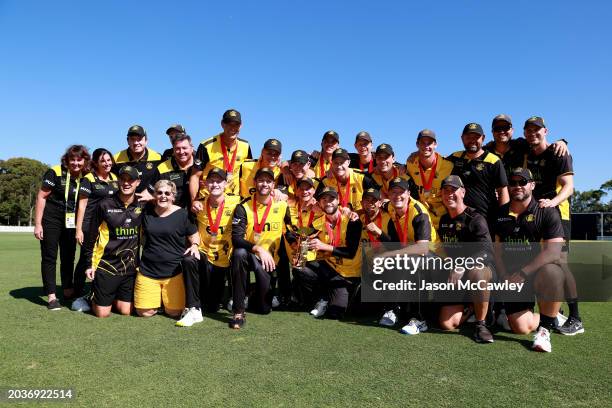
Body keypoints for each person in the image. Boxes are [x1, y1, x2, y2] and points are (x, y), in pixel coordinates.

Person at [494, 168, 566, 352]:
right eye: (513, 182)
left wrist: (523, 273)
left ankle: (545, 330)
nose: (517, 186)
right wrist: (504, 276)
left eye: (522, 182)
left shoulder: (547, 211)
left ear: (532, 185)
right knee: (521, 327)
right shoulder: (500, 213)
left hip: (536, 274)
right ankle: (551, 314)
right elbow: (497, 250)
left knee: (553, 272)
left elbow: (554, 251)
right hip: (512, 278)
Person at [524, 116, 583, 335]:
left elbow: (569, 187)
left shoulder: (559, 152)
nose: (533, 133)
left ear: (545, 131)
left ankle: (576, 317)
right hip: (536, 214)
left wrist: (552, 203)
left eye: (537, 130)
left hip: (558, 213)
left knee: (559, 261)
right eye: (529, 130)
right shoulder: (526, 152)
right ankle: (552, 312)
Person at [177, 168, 242, 327]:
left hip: (224, 259)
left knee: (212, 306)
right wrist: (194, 244)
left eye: (219, 181)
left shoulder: (237, 202)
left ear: (226, 184)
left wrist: (277, 192)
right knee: (188, 259)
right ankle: (193, 308)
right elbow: (191, 229)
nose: (215, 184)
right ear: (205, 184)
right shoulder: (198, 206)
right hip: (204, 255)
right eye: (211, 181)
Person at [230, 167, 290, 329]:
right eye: (261, 180)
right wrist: (258, 249)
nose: (264, 184)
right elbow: (236, 239)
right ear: (255, 182)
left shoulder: (282, 205)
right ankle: (238, 310)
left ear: (273, 185)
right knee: (239, 253)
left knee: (264, 309)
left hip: (270, 260)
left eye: (269, 181)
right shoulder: (243, 207)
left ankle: (251, 291)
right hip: (251, 254)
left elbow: (290, 230)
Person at [437, 175, 494, 343]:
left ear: (463, 192)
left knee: (477, 272)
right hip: (458, 278)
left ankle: (481, 324)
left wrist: (462, 265)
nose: (449, 195)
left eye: (453, 190)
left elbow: (487, 252)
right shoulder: (444, 220)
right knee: (446, 323)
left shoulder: (475, 219)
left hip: (481, 273)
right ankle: (471, 308)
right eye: (445, 191)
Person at [378, 177, 438, 332]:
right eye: (393, 192)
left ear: (409, 194)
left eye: (401, 192)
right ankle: (393, 309)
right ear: (388, 195)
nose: (397, 196)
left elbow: (423, 249)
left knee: (411, 261)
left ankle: (419, 319)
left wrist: (393, 254)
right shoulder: (391, 206)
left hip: (434, 255)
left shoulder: (419, 212)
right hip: (409, 250)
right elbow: (379, 204)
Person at [293, 186, 363, 319]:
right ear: (319, 203)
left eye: (332, 199)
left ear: (338, 201)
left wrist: (323, 246)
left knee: (335, 313)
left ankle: (341, 293)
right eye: (324, 199)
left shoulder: (352, 220)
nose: (328, 202)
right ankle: (322, 298)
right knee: (298, 267)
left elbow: (350, 253)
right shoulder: (318, 222)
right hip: (330, 267)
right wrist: (300, 252)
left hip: (348, 273)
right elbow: (304, 237)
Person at [34, 145, 90, 310]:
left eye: (79, 160)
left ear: (84, 161)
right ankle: (51, 296)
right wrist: (38, 224)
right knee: (50, 257)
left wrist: (79, 228)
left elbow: (82, 204)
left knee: (68, 257)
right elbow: (42, 196)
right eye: (72, 159)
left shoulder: (85, 176)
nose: (75, 163)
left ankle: (67, 289)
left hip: (70, 220)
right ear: (66, 160)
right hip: (51, 218)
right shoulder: (55, 171)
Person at [135, 180, 200, 319]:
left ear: (173, 196)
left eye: (167, 193)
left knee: (174, 312)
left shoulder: (182, 214)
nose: (163, 196)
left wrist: (194, 245)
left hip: (173, 272)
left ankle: (164, 301)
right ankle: (157, 300)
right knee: (144, 313)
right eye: (159, 193)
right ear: (154, 195)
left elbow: (194, 235)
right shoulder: (146, 212)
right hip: (148, 270)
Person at [85, 165, 144, 318]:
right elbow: (91, 236)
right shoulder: (104, 204)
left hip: (130, 269)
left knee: (126, 311)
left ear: (138, 182)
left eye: (130, 180)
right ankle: (89, 296)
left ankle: (110, 296)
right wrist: (88, 264)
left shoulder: (143, 205)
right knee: (102, 314)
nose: (126, 183)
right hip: (106, 266)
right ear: (118, 181)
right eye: (122, 179)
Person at [72, 148, 118, 312]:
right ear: (96, 164)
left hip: (106, 228)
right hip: (89, 226)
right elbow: (82, 206)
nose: (107, 163)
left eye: (108, 160)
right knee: (87, 259)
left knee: (99, 259)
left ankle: (95, 292)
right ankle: (78, 295)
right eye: (103, 161)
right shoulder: (88, 179)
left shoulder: (115, 178)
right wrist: (79, 229)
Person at [448, 123, 509, 232]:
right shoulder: (454, 158)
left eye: (476, 137)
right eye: (468, 137)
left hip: (487, 220)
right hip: (460, 220)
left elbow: (502, 191)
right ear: (462, 138)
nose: (472, 140)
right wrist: (415, 155)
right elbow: (435, 162)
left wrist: (503, 218)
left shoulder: (493, 161)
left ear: (483, 138)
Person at [189, 109, 252, 200]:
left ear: (241, 126)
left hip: (234, 201)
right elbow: (195, 176)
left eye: (236, 124)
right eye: (228, 123)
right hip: (209, 199)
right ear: (222, 124)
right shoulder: (206, 146)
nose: (232, 127)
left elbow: (248, 174)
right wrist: (194, 201)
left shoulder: (245, 146)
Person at [484, 114, 568, 176]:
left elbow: (540, 143)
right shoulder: (485, 152)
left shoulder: (521, 145)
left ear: (512, 130)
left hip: (518, 197)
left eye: (506, 127)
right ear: (492, 132)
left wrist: (561, 142)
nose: (502, 131)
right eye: (497, 128)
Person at [405, 129, 454, 229]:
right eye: (422, 143)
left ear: (435, 145)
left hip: (443, 219)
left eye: (429, 143)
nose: (426, 146)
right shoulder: (410, 163)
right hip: (420, 217)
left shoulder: (449, 166)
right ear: (417, 144)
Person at [316, 148, 376, 212]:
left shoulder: (362, 177)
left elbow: (376, 200)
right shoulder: (325, 181)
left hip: (359, 218)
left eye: (342, 162)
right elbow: (317, 203)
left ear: (348, 162)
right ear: (331, 163)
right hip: (337, 218)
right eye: (336, 163)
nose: (339, 166)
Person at [146, 133, 195, 209]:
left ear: (192, 148)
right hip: (173, 216)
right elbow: (150, 192)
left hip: (200, 215)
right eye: (177, 148)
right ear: (173, 150)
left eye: (184, 148)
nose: (181, 152)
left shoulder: (201, 164)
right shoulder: (162, 168)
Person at [113, 125, 162, 193]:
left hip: (150, 201)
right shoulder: (116, 159)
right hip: (125, 202)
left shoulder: (158, 158)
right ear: (127, 141)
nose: (136, 143)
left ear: (146, 141)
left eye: (139, 139)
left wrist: (150, 193)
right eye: (132, 139)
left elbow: (162, 181)